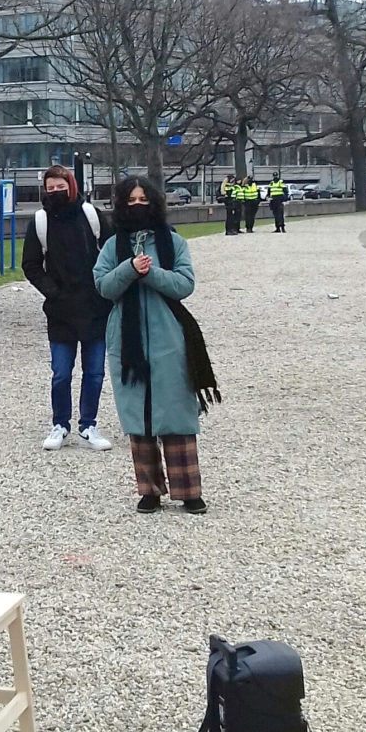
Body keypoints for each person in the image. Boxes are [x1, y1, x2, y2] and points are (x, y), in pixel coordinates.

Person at [93, 177, 220, 515]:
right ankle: (149, 490)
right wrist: (129, 269)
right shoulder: (111, 246)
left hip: (169, 335)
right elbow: (104, 286)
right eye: (131, 200)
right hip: (127, 338)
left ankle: (189, 489)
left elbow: (184, 284)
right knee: (139, 414)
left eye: (142, 199)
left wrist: (149, 274)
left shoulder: (173, 242)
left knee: (175, 411)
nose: (137, 205)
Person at [21, 164, 113, 452]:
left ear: (71, 185)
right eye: (51, 188)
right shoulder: (40, 222)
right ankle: (60, 423)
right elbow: (31, 265)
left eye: (61, 187)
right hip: (61, 310)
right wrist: (53, 292)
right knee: (61, 372)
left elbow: (112, 252)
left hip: (95, 306)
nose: (57, 192)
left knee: (95, 372)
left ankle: (88, 424)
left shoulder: (92, 216)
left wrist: (104, 287)